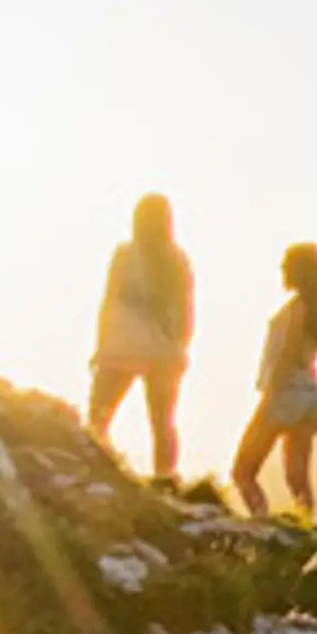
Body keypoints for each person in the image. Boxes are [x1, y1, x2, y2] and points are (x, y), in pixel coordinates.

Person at [86, 194, 195, 480]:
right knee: (162, 422)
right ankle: (165, 477)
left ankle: (98, 470)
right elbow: (186, 309)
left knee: (98, 415)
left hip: (124, 345)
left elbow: (109, 301)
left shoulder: (125, 255)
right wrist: (182, 346)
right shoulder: (176, 260)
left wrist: (99, 346)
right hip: (162, 348)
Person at [232, 242, 317, 518]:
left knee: (243, 469)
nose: (281, 270)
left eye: (285, 265)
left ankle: (261, 519)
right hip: (308, 393)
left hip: (284, 392)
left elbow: (287, 354)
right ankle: (306, 526)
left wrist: (270, 395)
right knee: (298, 478)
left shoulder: (297, 309)